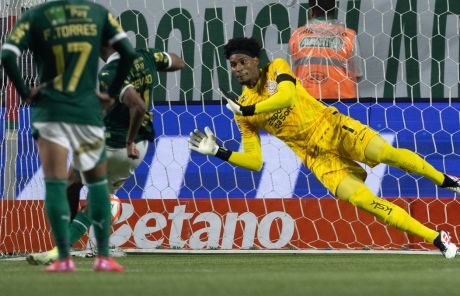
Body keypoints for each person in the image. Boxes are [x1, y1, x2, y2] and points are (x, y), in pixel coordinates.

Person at [189, 37, 460, 258]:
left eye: (242, 61)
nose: (237, 68)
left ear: (256, 61)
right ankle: (437, 238)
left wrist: (250, 109)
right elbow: (255, 161)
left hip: (334, 128)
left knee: (386, 154)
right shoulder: (242, 110)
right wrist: (219, 152)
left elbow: (285, 98)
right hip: (316, 158)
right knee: (364, 201)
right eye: (233, 64)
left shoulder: (276, 70)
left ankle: (446, 180)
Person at [0, 0, 137, 272]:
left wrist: (26, 93)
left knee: (55, 182)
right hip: (86, 108)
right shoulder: (97, 13)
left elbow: (6, 55)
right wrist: (110, 95)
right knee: (97, 184)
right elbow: (128, 53)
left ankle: (63, 258)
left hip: (50, 109)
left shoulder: (36, 15)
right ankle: (104, 257)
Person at [25, 45, 185, 265]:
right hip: (139, 147)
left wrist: (128, 141)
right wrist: (157, 66)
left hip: (113, 146)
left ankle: (63, 246)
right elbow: (178, 61)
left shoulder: (110, 73)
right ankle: (75, 234)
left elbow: (137, 105)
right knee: (78, 186)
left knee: (73, 185)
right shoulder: (145, 56)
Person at [289, 0, 363, 100]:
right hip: (343, 104)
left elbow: (288, 73)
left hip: (306, 103)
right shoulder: (349, 36)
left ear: (311, 11)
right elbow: (358, 73)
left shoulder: (296, 35)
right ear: (334, 10)